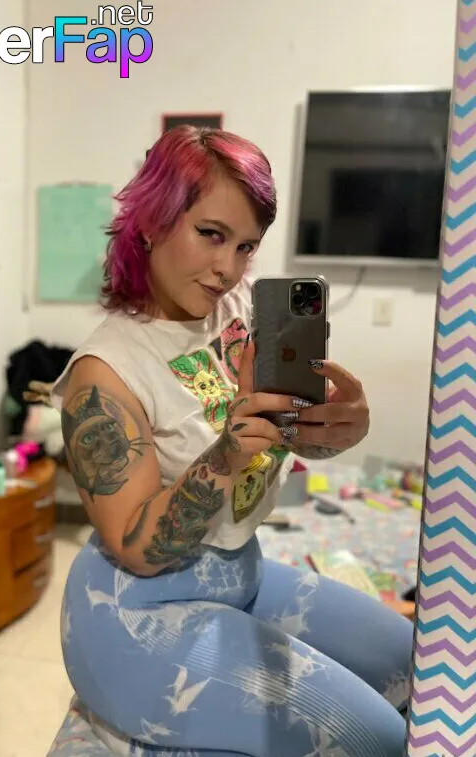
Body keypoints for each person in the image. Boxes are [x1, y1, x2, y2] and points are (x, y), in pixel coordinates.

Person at [51, 126, 412, 757]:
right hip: (137, 615)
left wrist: (337, 430)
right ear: (151, 221)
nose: (228, 268)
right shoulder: (103, 373)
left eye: (246, 246)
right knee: (376, 741)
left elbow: (280, 434)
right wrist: (228, 452)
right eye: (211, 234)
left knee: (419, 666)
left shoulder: (241, 309)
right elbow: (138, 547)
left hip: (239, 571)